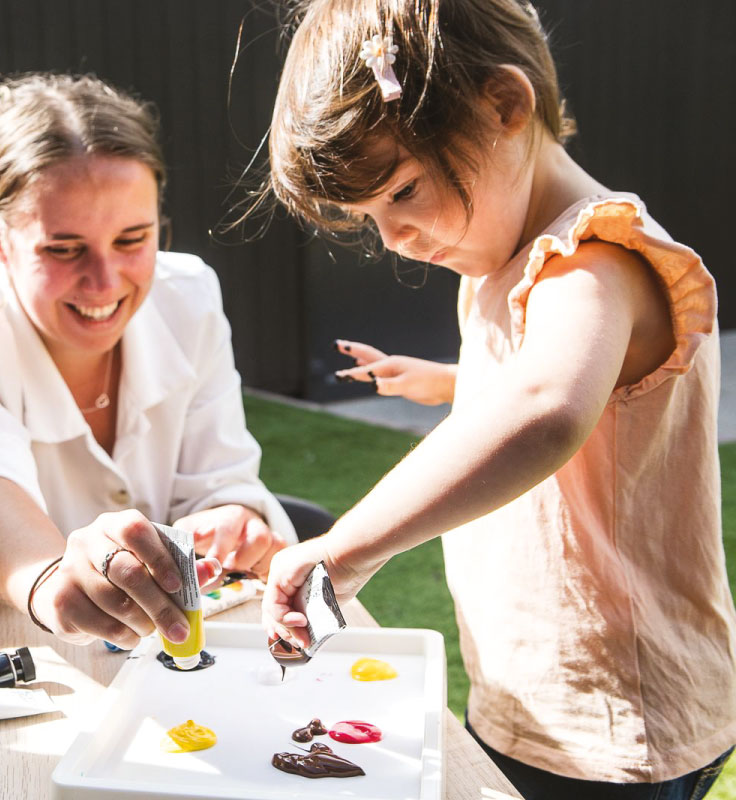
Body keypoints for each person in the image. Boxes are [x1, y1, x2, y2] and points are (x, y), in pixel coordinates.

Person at [257, 1, 736, 797]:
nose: (395, 239)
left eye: (404, 189)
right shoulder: (497, 266)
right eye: (368, 219)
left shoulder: (593, 260)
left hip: (610, 708)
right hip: (530, 690)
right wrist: (449, 383)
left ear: (504, 106)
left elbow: (548, 409)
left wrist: (344, 550)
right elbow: (570, 397)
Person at [0, 73, 295, 650]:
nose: (104, 282)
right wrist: (50, 580)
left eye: (133, 239)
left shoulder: (191, 295)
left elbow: (217, 480)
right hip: (10, 657)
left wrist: (233, 519)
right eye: (64, 248)